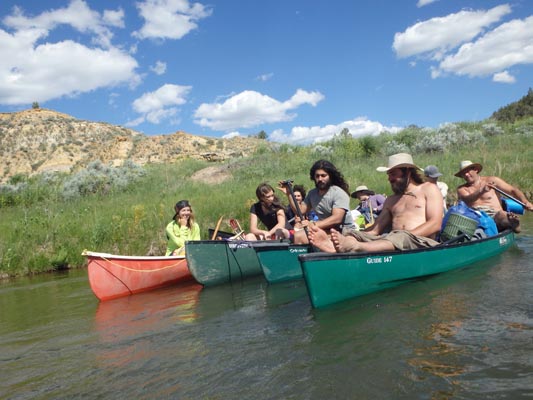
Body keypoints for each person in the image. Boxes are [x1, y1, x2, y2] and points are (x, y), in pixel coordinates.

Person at [309, 153, 443, 253]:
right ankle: (335, 247)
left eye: (393, 174)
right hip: (393, 241)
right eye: (388, 175)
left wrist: (405, 234)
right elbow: (375, 230)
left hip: (422, 243)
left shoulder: (428, 189)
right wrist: (355, 235)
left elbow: (435, 224)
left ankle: (357, 247)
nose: (389, 179)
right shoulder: (391, 200)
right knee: (352, 232)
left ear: (407, 172)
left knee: (402, 235)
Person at [279, 159, 354, 244]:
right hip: (324, 229)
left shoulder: (338, 193)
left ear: (330, 176)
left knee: (300, 236)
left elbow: (337, 218)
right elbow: (299, 211)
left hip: (344, 232)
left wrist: (313, 225)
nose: (320, 179)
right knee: (297, 235)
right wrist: (289, 193)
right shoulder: (312, 193)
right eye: (317, 176)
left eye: (323, 176)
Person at [455, 160, 533, 232]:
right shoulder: (462, 189)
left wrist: (525, 201)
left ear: (475, 170)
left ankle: (513, 222)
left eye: (468, 171)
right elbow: (467, 199)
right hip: (475, 218)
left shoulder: (492, 180)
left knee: (502, 215)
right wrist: (481, 191)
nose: (466, 174)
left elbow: (512, 191)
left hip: (495, 215)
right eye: (463, 173)